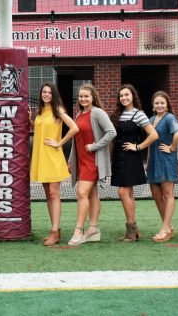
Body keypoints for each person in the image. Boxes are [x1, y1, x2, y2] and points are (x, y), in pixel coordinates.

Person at [30, 82, 78, 246]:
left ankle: (55, 232)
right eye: (44, 92)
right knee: (48, 195)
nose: (46, 95)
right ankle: (55, 229)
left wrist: (60, 143)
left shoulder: (58, 110)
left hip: (53, 157)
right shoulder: (40, 112)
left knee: (53, 193)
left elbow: (74, 128)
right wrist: (31, 121)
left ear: (54, 94)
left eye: (49, 92)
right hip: (41, 157)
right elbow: (39, 131)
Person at [67, 84, 116, 245]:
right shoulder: (79, 114)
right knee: (92, 193)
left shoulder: (98, 113)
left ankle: (79, 230)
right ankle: (93, 228)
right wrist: (70, 160)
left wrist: (95, 146)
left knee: (81, 193)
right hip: (81, 160)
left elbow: (111, 132)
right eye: (80, 96)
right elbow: (76, 140)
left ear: (93, 97)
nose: (83, 99)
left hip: (93, 161)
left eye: (86, 96)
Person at [110, 84, 158, 242]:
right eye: (121, 95)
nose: (124, 98)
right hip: (118, 157)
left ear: (133, 96)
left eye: (127, 95)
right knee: (128, 193)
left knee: (122, 192)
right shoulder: (118, 114)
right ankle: (134, 230)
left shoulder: (139, 114)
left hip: (131, 158)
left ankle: (131, 228)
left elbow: (153, 135)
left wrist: (137, 147)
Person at [146, 91, 178, 243]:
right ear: (153, 105)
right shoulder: (152, 118)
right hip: (153, 161)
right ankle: (168, 226)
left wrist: (172, 148)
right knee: (155, 194)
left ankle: (165, 228)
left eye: (162, 103)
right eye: (157, 103)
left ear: (167, 104)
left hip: (166, 160)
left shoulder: (169, 118)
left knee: (168, 194)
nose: (159, 105)